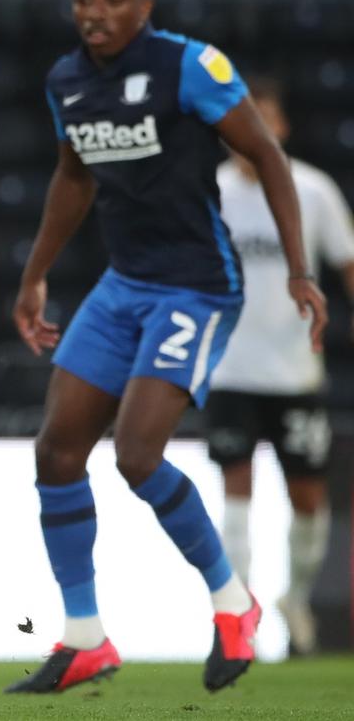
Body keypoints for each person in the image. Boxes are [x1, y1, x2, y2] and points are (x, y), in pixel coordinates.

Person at [7, 0, 327, 695]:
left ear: (144, 6)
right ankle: (84, 637)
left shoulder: (192, 65)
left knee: (138, 453)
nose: (96, 11)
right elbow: (74, 174)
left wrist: (299, 268)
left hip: (197, 287)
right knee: (56, 451)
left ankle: (232, 603)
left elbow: (270, 159)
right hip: (125, 286)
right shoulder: (68, 81)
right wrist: (35, 274)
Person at [207, 76, 354, 656]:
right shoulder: (210, 192)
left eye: (263, 122)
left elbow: (347, 260)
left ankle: (295, 598)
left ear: (282, 128)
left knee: (309, 500)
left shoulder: (312, 191)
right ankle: (238, 611)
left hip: (295, 373)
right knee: (235, 493)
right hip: (230, 370)